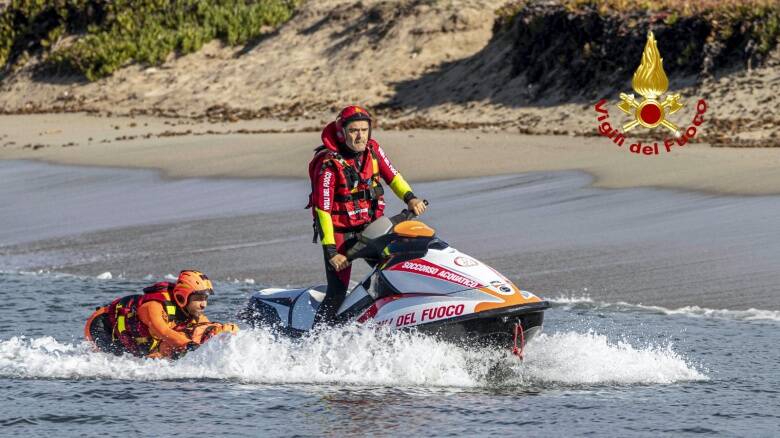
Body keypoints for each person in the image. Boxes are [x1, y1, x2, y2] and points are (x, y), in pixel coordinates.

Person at [307, 105, 427, 325]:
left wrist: (411, 198)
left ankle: (397, 320)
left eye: (364, 129)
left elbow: (393, 176)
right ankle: (316, 337)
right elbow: (322, 210)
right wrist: (332, 252)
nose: (360, 135)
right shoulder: (328, 165)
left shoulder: (373, 150)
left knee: (395, 272)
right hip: (340, 237)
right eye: (353, 130)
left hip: (372, 229)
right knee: (337, 293)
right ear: (342, 133)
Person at [84, 270, 238, 359]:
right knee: (116, 361)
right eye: (198, 298)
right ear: (181, 296)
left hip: (134, 336)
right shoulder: (154, 306)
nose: (203, 304)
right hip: (102, 326)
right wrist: (190, 346)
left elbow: (203, 329)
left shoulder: (193, 312)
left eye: (205, 298)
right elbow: (162, 331)